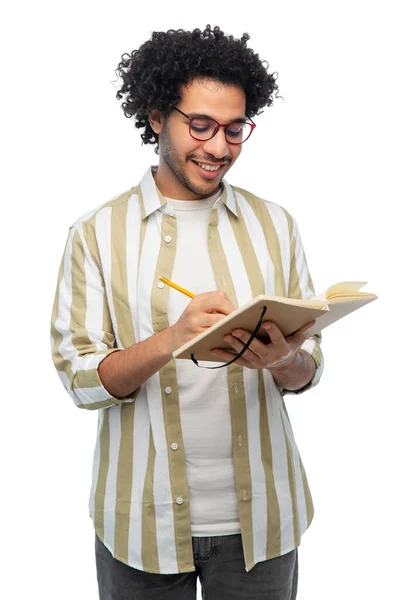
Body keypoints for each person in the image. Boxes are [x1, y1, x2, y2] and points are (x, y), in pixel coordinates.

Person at [50, 24, 324, 600]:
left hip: (263, 524)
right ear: (156, 116)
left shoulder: (277, 226)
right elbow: (80, 379)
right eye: (200, 125)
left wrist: (286, 359)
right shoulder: (96, 235)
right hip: (140, 523)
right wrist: (171, 339)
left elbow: (309, 369)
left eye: (234, 129)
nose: (218, 147)